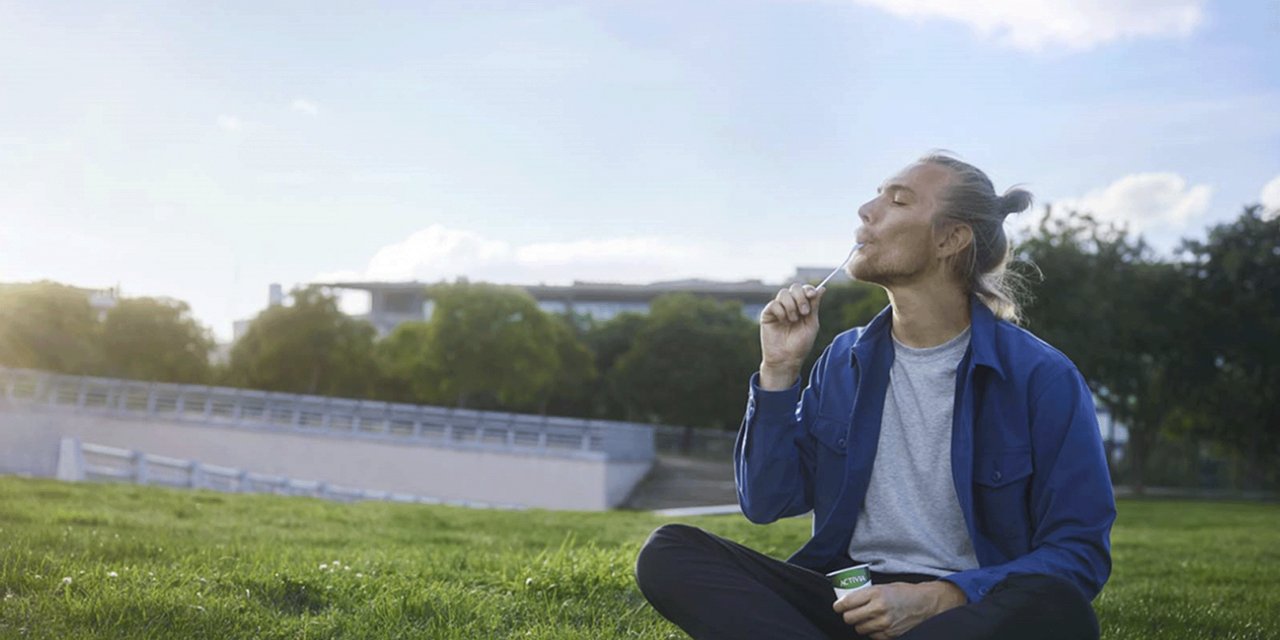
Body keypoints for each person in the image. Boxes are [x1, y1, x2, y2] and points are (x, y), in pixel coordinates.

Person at [634, 152, 1116, 640]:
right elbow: (766, 500)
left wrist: (938, 598)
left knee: (1059, 608)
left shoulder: (1042, 376)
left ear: (951, 238)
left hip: (965, 613)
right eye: (876, 195)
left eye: (897, 200)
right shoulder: (843, 361)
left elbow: (1080, 552)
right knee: (669, 551)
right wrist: (779, 370)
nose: (867, 210)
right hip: (849, 603)